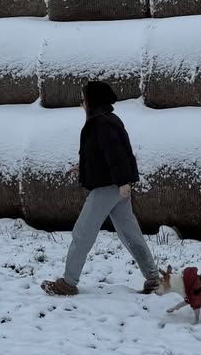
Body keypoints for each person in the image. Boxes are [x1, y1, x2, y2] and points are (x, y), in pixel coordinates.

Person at [41, 80, 159, 296]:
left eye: (84, 98)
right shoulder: (106, 119)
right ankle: (154, 278)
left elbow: (116, 154)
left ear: (93, 100)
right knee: (130, 233)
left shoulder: (101, 123)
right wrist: (83, 167)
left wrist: (123, 181)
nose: (82, 102)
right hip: (116, 186)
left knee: (82, 232)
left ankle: (68, 282)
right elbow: (101, 155)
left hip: (109, 187)